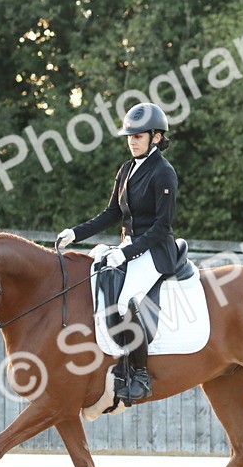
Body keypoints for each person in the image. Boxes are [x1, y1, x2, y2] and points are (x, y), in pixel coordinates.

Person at [56, 102, 179, 405]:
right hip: (131, 246)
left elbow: (162, 227)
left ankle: (139, 373)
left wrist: (126, 253)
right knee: (100, 280)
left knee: (126, 300)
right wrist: (77, 233)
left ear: (156, 136)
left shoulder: (163, 173)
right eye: (129, 136)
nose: (132, 141)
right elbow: (112, 213)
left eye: (138, 136)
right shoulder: (126, 169)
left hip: (156, 250)